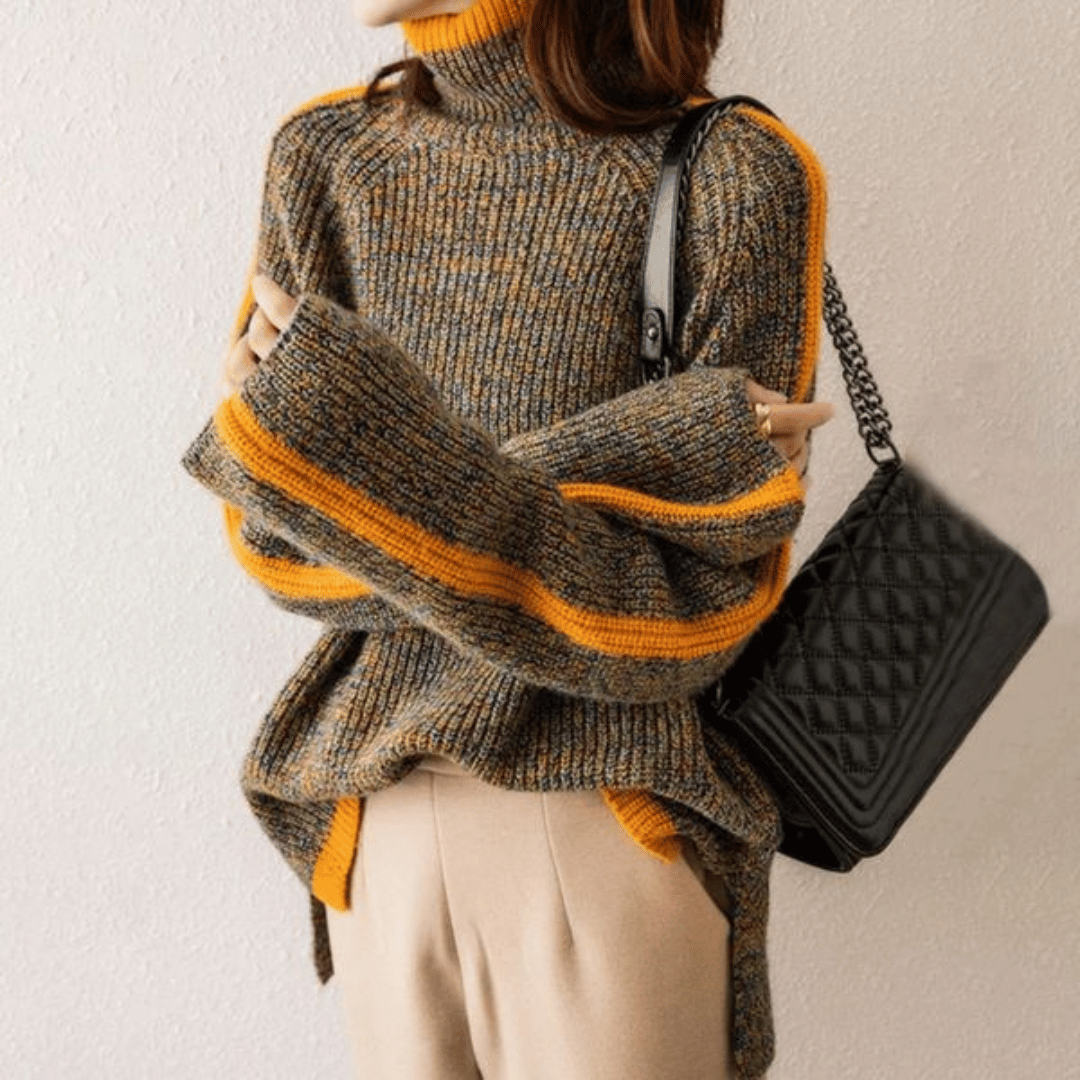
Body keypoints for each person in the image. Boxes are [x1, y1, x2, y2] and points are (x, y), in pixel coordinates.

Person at [182, 0, 835, 1076]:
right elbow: (276, 545)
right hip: (376, 828)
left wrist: (357, 458)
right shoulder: (323, 158)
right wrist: (648, 448)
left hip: (607, 828)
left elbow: (697, 613)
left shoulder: (734, 173)